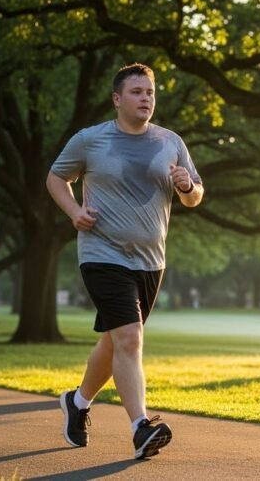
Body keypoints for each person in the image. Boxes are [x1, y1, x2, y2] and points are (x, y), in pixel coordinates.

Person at [46, 63, 203, 460]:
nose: (145, 98)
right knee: (130, 338)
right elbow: (55, 177)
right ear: (117, 99)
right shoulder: (91, 140)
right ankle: (140, 427)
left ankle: (77, 403)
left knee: (114, 341)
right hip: (102, 254)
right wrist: (73, 211)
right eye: (136, 92)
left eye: (149, 92)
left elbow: (195, 194)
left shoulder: (170, 142)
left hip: (151, 261)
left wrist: (187, 186)